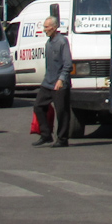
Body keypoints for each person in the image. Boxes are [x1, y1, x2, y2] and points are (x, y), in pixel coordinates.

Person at [32, 15, 72, 148]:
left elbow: (68, 64)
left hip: (60, 84)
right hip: (47, 82)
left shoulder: (62, 42)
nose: (44, 30)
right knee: (38, 106)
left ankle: (62, 139)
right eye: (44, 27)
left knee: (62, 112)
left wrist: (61, 80)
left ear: (54, 27)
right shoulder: (48, 43)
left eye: (47, 27)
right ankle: (46, 135)